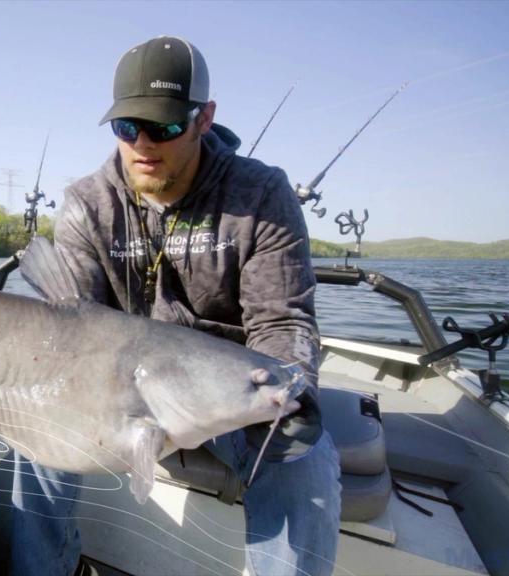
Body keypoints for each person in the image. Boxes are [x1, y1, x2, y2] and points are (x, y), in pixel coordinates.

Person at [42, 35, 343, 576]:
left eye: (165, 127)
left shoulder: (261, 195)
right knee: (30, 439)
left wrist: (293, 388)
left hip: (222, 397)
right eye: (126, 127)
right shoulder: (87, 204)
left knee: (306, 468)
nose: (143, 144)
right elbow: (64, 327)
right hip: (114, 390)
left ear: (204, 119)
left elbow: (282, 320)